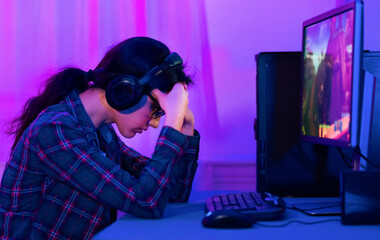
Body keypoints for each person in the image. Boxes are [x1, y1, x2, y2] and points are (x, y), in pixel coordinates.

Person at [0, 37, 200, 239]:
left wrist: (185, 126)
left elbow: (172, 195)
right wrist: (172, 122)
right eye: (157, 109)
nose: (155, 124)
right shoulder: (55, 131)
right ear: (126, 90)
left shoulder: (101, 133)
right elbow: (147, 202)